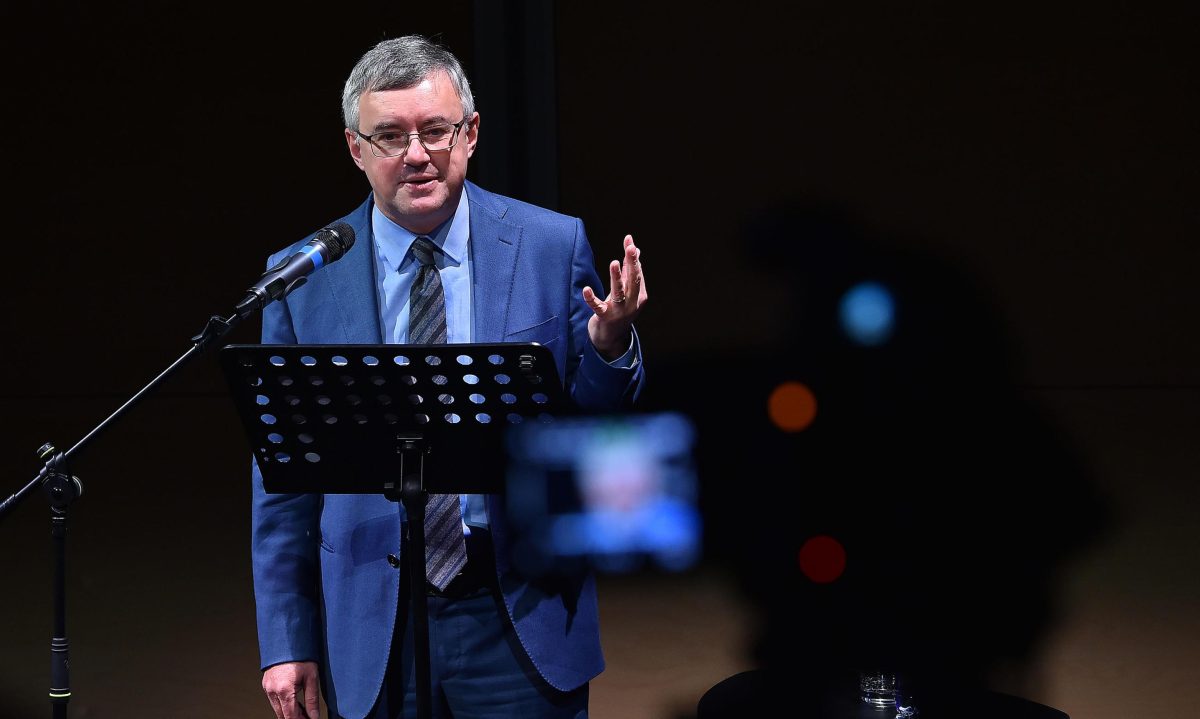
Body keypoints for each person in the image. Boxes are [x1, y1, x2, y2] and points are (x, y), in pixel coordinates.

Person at [251, 35, 647, 719]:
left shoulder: (552, 246)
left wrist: (609, 347)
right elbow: (281, 482)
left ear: (471, 133)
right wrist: (287, 639)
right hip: (371, 621)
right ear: (355, 149)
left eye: (435, 130)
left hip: (518, 612)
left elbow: (591, 434)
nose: (416, 155)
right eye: (390, 136)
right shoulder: (301, 278)